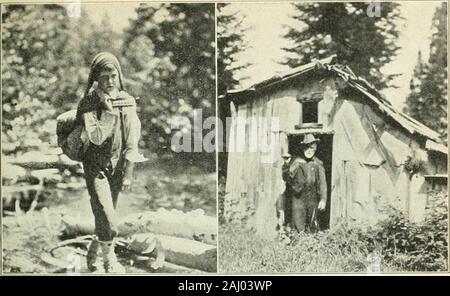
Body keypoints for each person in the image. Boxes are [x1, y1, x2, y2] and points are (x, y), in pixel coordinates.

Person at [75, 52, 146, 273]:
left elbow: (132, 142)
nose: (109, 82)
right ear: (96, 77)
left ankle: (94, 249)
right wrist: (105, 109)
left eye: (113, 76)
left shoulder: (127, 101)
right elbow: (95, 137)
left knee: (103, 214)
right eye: (104, 77)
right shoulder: (88, 102)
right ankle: (109, 261)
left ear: (119, 76)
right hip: (94, 167)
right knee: (107, 215)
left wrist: (128, 173)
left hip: (117, 167)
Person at [282, 134, 327, 233]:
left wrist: (323, 199)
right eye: (307, 147)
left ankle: (310, 245)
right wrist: (286, 164)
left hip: (312, 197)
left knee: (312, 224)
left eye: (312, 148)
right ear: (303, 148)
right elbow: (286, 177)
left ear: (315, 149)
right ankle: (298, 245)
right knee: (298, 225)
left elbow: (322, 183)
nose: (309, 150)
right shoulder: (296, 161)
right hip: (298, 198)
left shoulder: (318, 163)